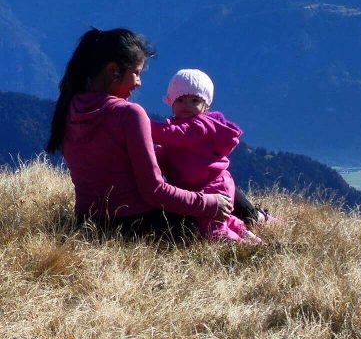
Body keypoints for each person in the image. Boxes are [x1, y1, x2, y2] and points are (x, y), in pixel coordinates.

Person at [46, 28, 231, 238]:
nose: (139, 82)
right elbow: (155, 192)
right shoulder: (128, 114)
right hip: (138, 226)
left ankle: (255, 215)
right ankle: (255, 217)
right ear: (113, 70)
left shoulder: (71, 106)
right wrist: (208, 203)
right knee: (217, 176)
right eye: (136, 73)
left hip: (89, 222)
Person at [151, 69, 260, 243]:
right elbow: (169, 151)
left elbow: (171, 136)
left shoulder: (198, 126)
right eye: (180, 99)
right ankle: (247, 235)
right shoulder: (183, 125)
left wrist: (140, 125)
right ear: (171, 102)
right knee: (221, 219)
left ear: (206, 105)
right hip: (209, 184)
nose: (187, 105)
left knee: (212, 231)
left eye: (194, 100)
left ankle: (245, 248)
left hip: (212, 187)